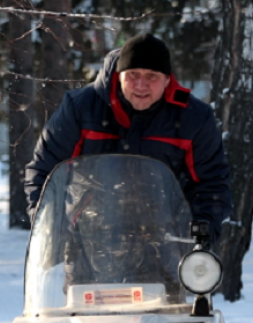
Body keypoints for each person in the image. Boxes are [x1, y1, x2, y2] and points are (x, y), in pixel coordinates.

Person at [24, 33, 232, 244]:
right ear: (119, 75)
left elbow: (211, 182)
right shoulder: (81, 108)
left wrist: (204, 222)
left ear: (167, 79)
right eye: (133, 74)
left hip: (167, 241)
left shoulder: (193, 117)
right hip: (88, 241)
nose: (141, 85)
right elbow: (46, 170)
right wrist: (46, 221)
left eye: (152, 76)